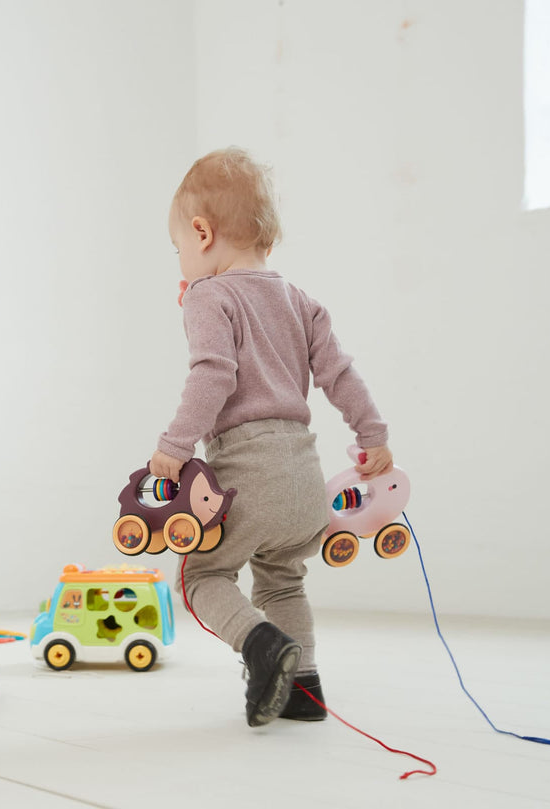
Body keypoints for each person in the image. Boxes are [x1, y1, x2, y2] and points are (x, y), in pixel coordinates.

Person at [149, 148, 393, 727]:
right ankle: (304, 690)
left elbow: (213, 375)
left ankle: (260, 645)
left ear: (202, 233)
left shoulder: (210, 296)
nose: (180, 261)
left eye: (178, 246)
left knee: (203, 575)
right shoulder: (300, 301)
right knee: (283, 577)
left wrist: (174, 448)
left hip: (247, 474)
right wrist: (373, 435)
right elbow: (341, 374)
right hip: (304, 483)